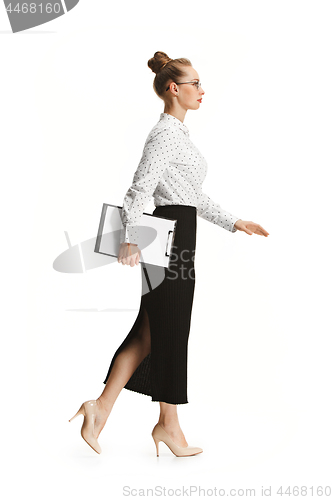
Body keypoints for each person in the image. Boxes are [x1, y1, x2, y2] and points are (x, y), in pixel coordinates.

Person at [69, 51, 269, 457]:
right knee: (171, 331)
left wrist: (235, 221)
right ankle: (168, 426)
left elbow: (193, 197)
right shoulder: (165, 134)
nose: (202, 90)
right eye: (195, 83)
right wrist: (128, 237)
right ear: (173, 88)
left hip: (181, 232)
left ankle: (101, 410)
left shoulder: (179, 135)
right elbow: (138, 188)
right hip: (170, 239)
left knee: (149, 333)